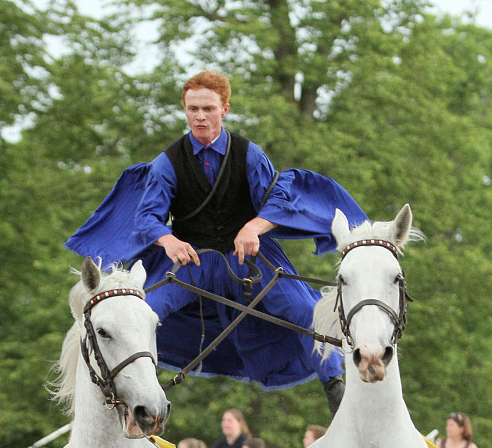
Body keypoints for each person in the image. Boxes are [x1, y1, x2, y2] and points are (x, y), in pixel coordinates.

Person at [66, 71, 368, 415]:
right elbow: (147, 217)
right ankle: (131, 393)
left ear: (224, 108)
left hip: (249, 255)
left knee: (306, 311)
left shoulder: (249, 154)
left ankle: (335, 385)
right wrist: (167, 240)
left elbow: (277, 201)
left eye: (208, 108)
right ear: (184, 109)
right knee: (139, 311)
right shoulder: (168, 162)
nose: (199, 116)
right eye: (192, 108)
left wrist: (254, 226)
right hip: (191, 260)